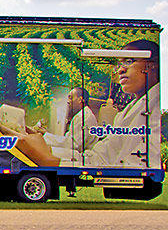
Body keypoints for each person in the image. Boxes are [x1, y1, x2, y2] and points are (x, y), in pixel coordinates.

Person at [17, 39, 160, 168]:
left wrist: (47, 155)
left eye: (129, 61)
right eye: (119, 64)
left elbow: (74, 146)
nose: (120, 70)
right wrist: (43, 143)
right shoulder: (129, 110)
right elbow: (102, 157)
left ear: (151, 65)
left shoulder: (154, 107)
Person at [41, 87, 99, 153]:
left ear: (80, 100)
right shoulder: (80, 115)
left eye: (71, 98)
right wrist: (46, 135)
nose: (68, 101)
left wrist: (45, 136)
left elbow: (73, 145)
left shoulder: (84, 117)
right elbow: (67, 140)